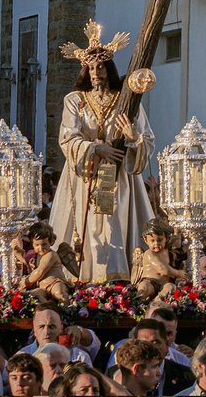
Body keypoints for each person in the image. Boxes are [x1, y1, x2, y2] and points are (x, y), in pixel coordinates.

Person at [51, 21, 154, 280]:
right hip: (86, 175)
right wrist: (98, 148)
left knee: (117, 223)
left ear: (108, 69)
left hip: (119, 174)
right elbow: (68, 138)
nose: (95, 72)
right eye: (90, 67)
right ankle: (85, 274)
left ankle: (118, 274)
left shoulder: (126, 101)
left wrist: (133, 139)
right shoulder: (75, 100)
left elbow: (146, 137)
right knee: (86, 227)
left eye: (100, 67)